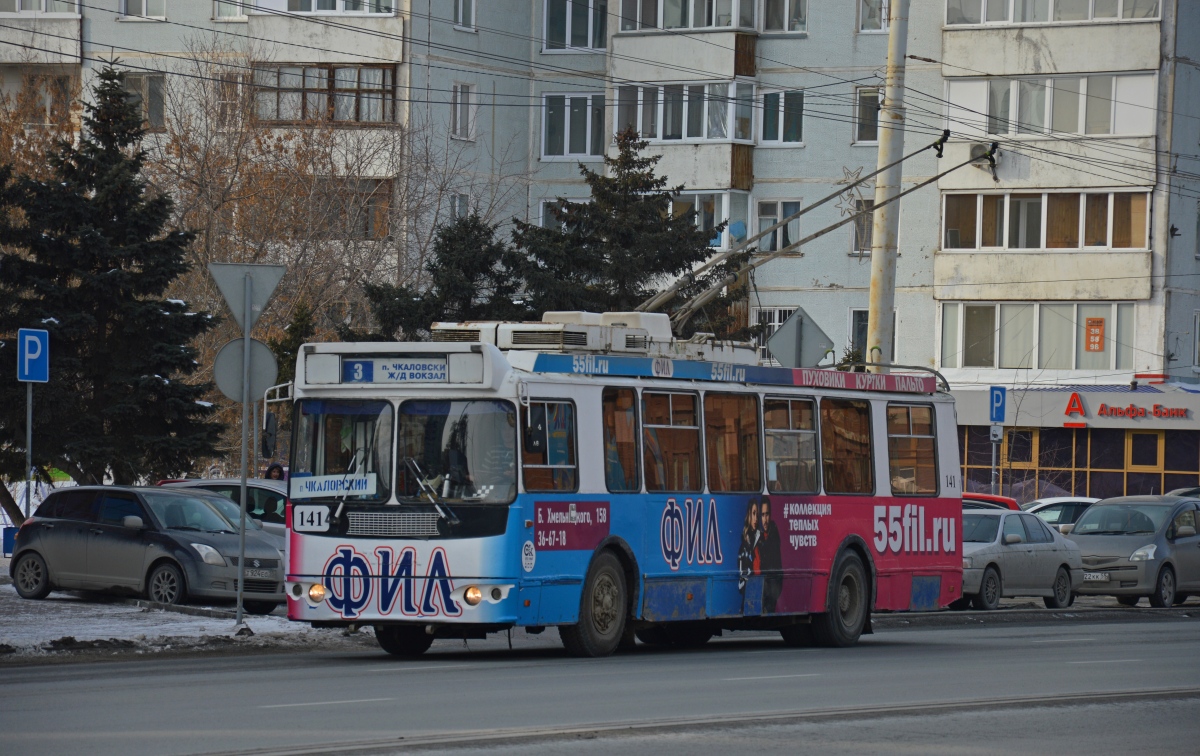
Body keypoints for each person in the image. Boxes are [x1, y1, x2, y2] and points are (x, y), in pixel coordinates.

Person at [759, 498, 783, 613]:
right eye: (762, 515)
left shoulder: (773, 536)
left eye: (767, 514)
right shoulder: (758, 535)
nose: (765, 520)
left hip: (771, 586)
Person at [737, 500, 761, 592]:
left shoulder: (760, 539)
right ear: (748, 515)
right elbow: (741, 574)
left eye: (757, 515)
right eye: (753, 514)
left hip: (759, 585)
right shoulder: (744, 545)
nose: (756, 518)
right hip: (748, 588)